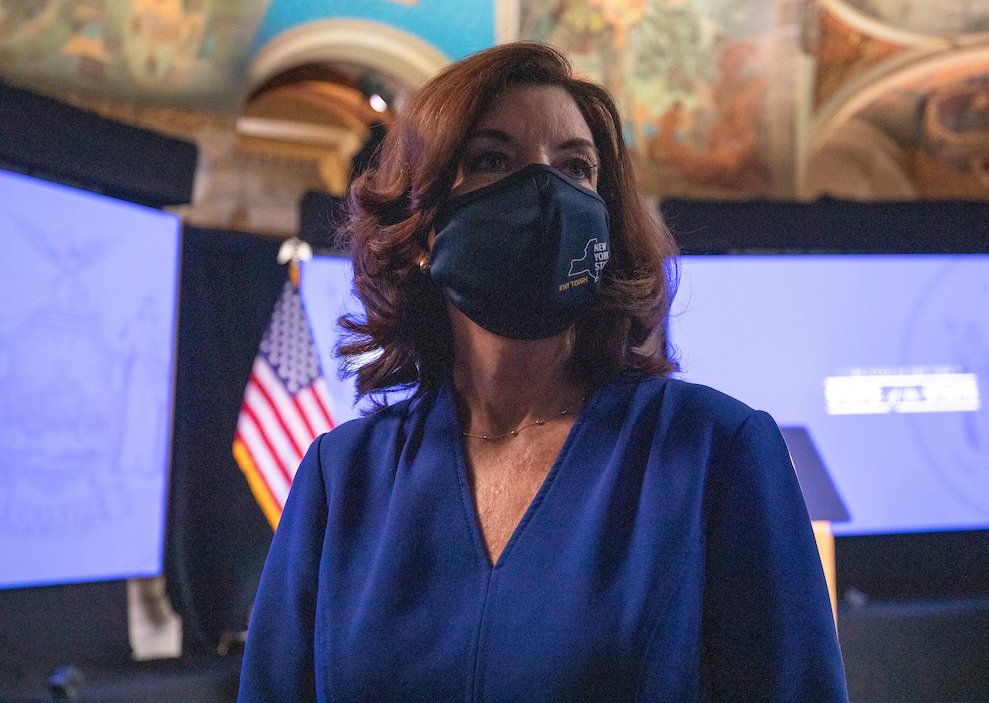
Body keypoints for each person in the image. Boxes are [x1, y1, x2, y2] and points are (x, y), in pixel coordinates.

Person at [237, 42, 848, 701]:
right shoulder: (342, 477)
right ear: (419, 228)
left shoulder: (713, 451)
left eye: (575, 167)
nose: (545, 193)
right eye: (491, 159)